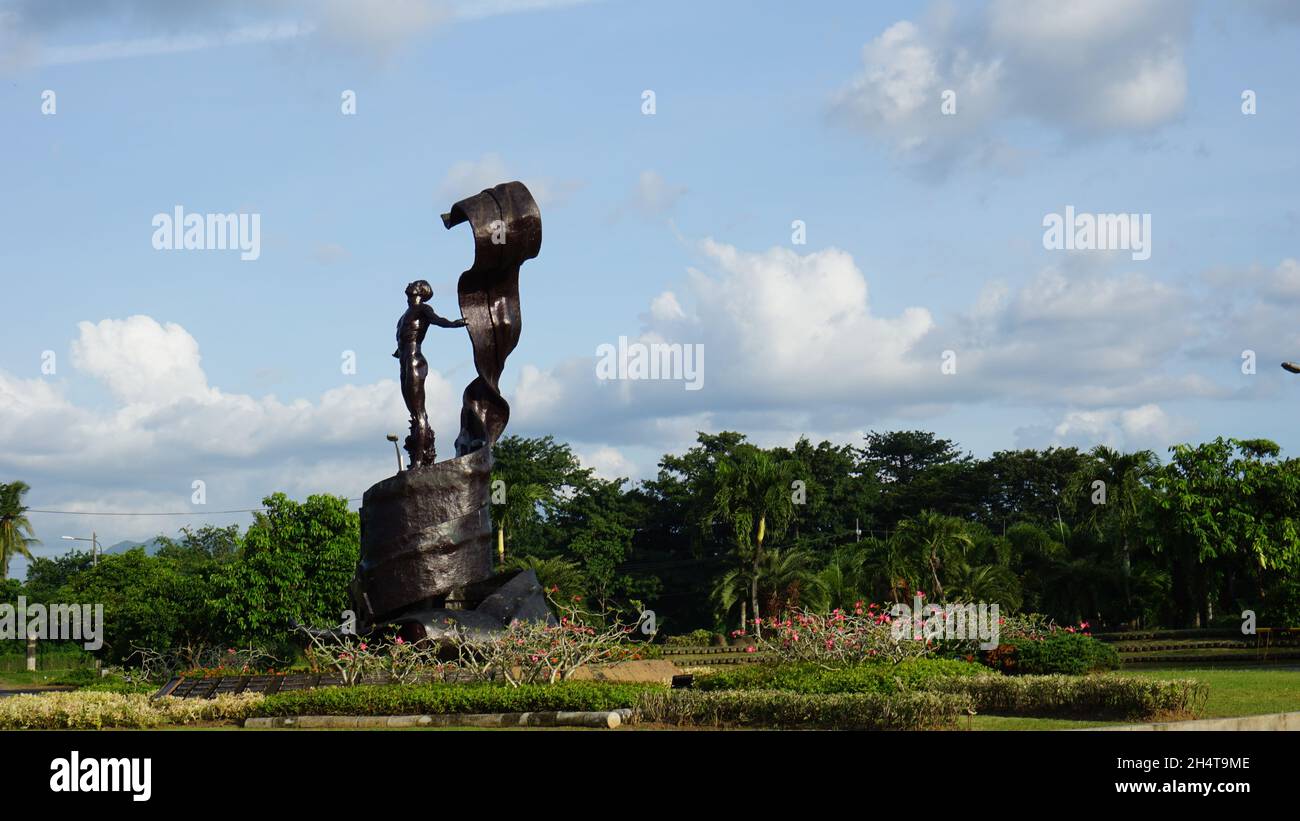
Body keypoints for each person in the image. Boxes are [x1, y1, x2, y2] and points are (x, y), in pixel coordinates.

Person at [394, 280, 467, 467]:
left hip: (414, 360)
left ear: (421, 290)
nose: (410, 283)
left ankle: (419, 461)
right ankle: (419, 454)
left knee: (419, 413)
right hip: (404, 362)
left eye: (415, 283)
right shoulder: (403, 316)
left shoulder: (423, 309)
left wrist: (453, 324)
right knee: (414, 412)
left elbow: (437, 320)